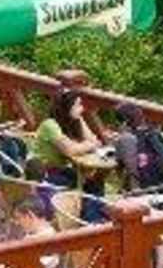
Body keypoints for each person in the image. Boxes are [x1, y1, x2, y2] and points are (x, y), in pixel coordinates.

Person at [35, 88, 108, 222]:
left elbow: (94, 140)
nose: (82, 109)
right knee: (90, 183)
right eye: (78, 105)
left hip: (62, 169)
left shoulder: (69, 122)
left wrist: (80, 119)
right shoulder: (49, 125)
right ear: (67, 106)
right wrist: (89, 145)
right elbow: (71, 150)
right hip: (46, 173)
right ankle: (93, 221)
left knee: (95, 180)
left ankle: (94, 219)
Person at [112, 102, 163, 192]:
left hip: (147, 190)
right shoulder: (155, 133)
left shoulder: (126, 139)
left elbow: (130, 170)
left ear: (123, 122)